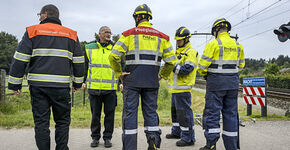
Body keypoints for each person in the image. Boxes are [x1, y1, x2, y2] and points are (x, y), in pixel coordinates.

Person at [8, 4, 84, 150]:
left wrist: (14, 84)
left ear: (45, 15)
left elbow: (20, 59)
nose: (39, 18)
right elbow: (79, 62)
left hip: (38, 87)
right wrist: (77, 83)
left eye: (40, 15)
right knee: (62, 122)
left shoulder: (32, 31)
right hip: (61, 87)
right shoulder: (71, 34)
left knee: (41, 123)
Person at [108, 4, 177, 150]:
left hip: (132, 81)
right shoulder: (162, 37)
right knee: (151, 113)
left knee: (130, 115)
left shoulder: (129, 34)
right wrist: (162, 75)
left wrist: (119, 73)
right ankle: (153, 140)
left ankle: (130, 147)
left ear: (137, 17)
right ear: (149, 18)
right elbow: (172, 61)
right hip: (152, 81)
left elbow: (113, 56)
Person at [197, 18, 245, 150]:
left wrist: (207, 74)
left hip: (216, 84)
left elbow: (201, 67)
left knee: (212, 114)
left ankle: (211, 144)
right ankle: (232, 147)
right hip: (233, 85)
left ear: (216, 30)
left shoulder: (213, 44)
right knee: (231, 115)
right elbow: (241, 66)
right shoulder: (238, 45)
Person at [82, 26, 117, 148]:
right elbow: (84, 66)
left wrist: (122, 81)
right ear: (99, 34)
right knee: (95, 116)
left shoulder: (115, 48)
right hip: (94, 88)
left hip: (110, 89)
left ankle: (107, 138)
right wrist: (82, 81)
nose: (108, 34)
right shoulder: (89, 48)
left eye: (110, 33)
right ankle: (95, 138)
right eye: (106, 32)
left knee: (110, 116)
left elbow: (121, 65)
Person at [166, 27, 198, 147]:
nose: (177, 42)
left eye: (179, 40)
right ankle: (177, 132)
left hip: (183, 89)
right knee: (175, 113)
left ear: (186, 39)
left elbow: (186, 70)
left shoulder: (191, 52)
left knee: (184, 114)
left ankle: (188, 138)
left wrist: (172, 65)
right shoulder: (178, 52)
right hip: (175, 89)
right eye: (177, 40)